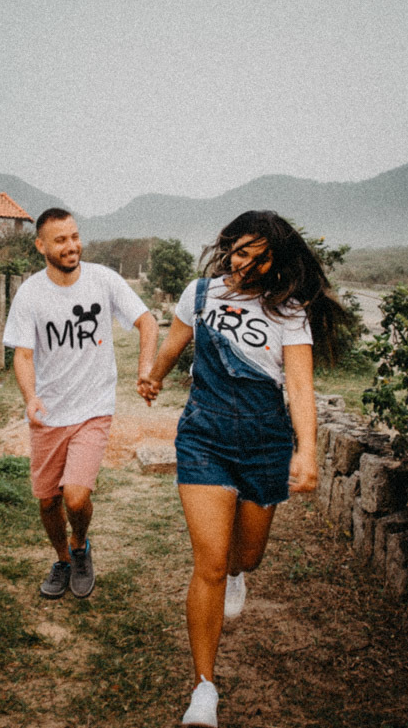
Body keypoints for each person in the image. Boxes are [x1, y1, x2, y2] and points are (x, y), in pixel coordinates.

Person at [138, 210, 352, 727]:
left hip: (264, 445)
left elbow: (299, 387)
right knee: (207, 562)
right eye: (241, 251)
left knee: (246, 557)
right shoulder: (202, 294)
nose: (248, 263)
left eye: (261, 255)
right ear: (227, 248)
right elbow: (174, 344)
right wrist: (153, 376)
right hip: (204, 438)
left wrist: (306, 450)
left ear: (277, 258)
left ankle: (238, 574)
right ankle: (204, 690)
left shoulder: (290, 310)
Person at [4, 207, 157, 600]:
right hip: (49, 412)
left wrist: (145, 370)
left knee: (75, 496)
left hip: (94, 407)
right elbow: (22, 355)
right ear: (41, 246)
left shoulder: (104, 280)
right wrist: (31, 397)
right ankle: (62, 559)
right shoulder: (31, 294)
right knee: (47, 500)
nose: (72, 246)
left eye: (74, 236)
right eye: (60, 240)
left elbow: (147, 321)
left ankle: (80, 545)